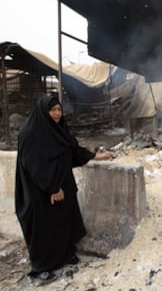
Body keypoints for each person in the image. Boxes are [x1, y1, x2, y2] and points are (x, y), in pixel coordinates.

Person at [15, 95, 112, 282]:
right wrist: (52, 188)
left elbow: (73, 151)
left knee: (63, 220)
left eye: (59, 109)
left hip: (62, 186)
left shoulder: (59, 131)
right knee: (43, 226)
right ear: (44, 111)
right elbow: (34, 166)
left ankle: (64, 256)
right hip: (39, 192)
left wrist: (96, 156)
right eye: (53, 110)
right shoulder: (30, 134)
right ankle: (41, 266)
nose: (58, 114)